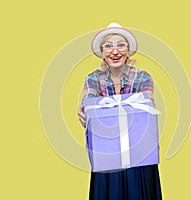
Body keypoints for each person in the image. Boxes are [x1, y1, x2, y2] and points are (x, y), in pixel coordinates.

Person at [78, 22, 162, 200]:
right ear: (102, 52)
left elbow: (146, 107)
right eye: (108, 46)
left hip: (140, 154)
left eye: (120, 45)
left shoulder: (142, 76)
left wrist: (104, 108)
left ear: (128, 49)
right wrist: (85, 109)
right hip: (106, 154)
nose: (115, 51)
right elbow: (89, 104)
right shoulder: (93, 78)